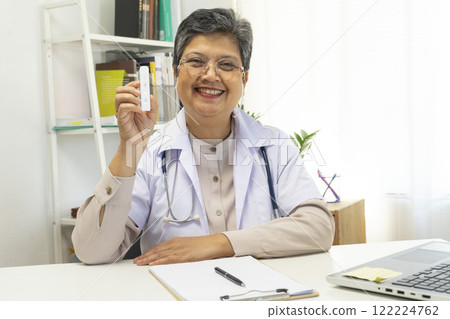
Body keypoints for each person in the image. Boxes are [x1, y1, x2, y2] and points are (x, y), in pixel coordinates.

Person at [72, 8, 335, 266]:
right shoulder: (149, 152)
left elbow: (319, 228)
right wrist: (128, 148)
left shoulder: (273, 145)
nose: (210, 74)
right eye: (196, 62)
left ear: (244, 80)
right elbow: (92, 251)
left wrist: (219, 243)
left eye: (227, 64)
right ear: (176, 73)